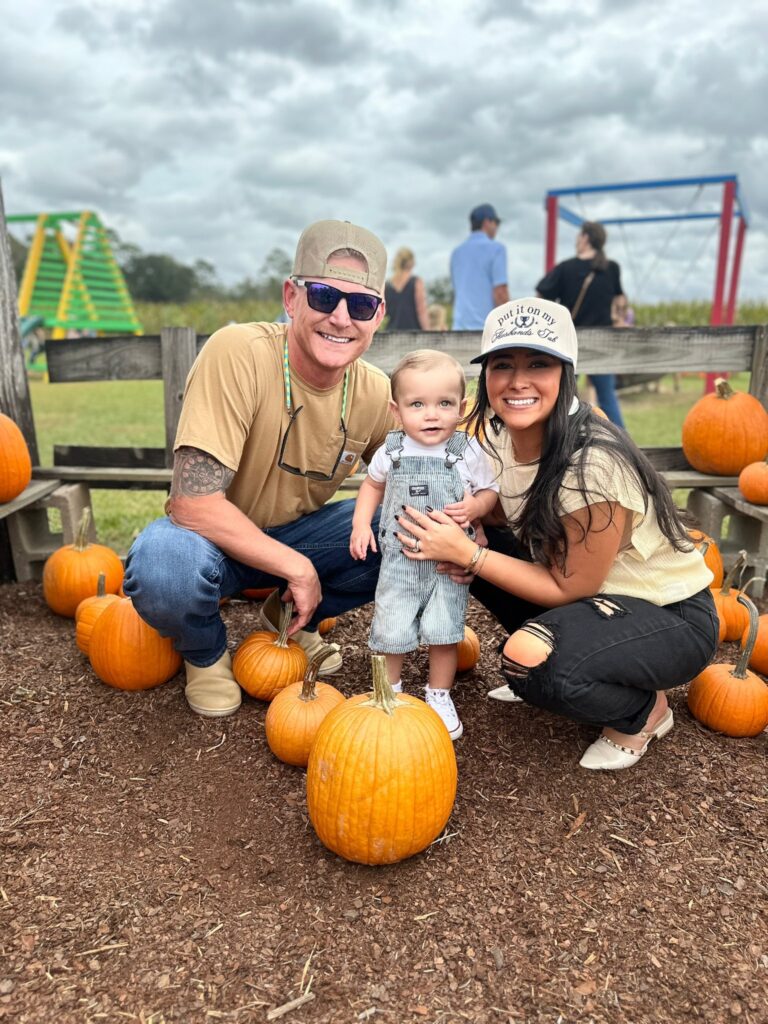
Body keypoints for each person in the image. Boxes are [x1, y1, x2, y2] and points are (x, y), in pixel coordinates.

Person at [393, 298, 718, 770]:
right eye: (502, 365)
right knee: (471, 539)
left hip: (671, 617)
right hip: (598, 599)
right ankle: (565, 652)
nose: (518, 380)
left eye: (538, 364)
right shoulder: (499, 435)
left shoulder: (593, 463)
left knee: (527, 660)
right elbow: (507, 504)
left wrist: (467, 553)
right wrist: (469, 521)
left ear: (565, 372)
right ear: (485, 375)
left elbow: (573, 586)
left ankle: (643, 711)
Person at [123, 220, 395, 718]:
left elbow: (418, 466)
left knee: (413, 519)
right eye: (322, 295)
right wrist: (298, 567)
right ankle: (204, 654)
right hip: (215, 542)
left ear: (378, 316)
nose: (340, 318)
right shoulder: (238, 353)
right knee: (162, 563)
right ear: (291, 297)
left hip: (302, 532)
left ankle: (289, 616)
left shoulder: (376, 391)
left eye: (360, 305)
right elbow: (192, 503)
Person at [349, 350, 499, 740]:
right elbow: (373, 485)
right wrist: (361, 523)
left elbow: (489, 491)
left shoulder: (466, 450)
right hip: (401, 560)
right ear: (396, 411)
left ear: (462, 408)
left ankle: (439, 694)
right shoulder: (392, 450)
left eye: (444, 404)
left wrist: (475, 508)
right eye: (417, 404)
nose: (431, 415)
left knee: (445, 631)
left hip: (448, 564)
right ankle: (390, 692)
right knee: (391, 629)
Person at [536, 221, 626, 428]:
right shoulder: (611, 268)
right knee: (607, 399)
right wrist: (618, 317)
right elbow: (620, 300)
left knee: (562, 398)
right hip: (601, 342)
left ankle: (558, 438)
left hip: (569, 341)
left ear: (585, 238)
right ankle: (623, 445)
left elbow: (541, 297)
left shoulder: (565, 268)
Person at [450, 203, 509, 330]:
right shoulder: (497, 249)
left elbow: (457, 292)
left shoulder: (456, 252)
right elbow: (500, 293)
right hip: (486, 330)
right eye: (496, 222)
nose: (497, 227)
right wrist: (510, 327)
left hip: (458, 328)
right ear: (487, 222)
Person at [384, 247, 429, 330]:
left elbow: (383, 312)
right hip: (413, 334)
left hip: (391, 332)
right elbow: (421, 311)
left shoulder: (387, 284)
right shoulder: (416, 282)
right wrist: (428, 333)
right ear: (411, 262)